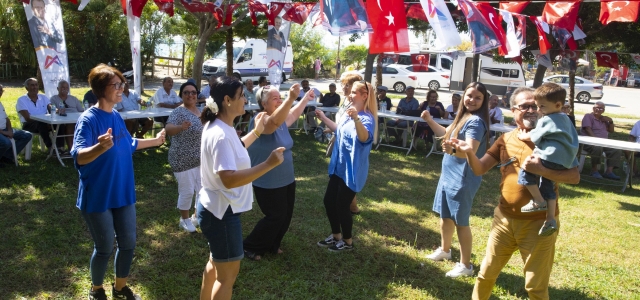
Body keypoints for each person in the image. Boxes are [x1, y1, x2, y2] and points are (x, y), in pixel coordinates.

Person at [446, 87, 580, 299]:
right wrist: (469, 151)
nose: (532, 110)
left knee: (535, 287)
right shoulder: (505, 139)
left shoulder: (552, 138)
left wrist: (542, 170)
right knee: (485, 276)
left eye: (535, 106)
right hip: (504, 220)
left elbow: (574, 177)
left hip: (540, 223)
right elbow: (480, 169)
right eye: (525, 106)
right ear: (512, 110)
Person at [72, 64, 166, 300]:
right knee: (104, 248)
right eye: (116, 85)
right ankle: (96, 289)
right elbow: (80, 156)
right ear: (101, 89)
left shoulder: (115, 115)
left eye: (122, 84)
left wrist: (154, 142)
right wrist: (99, 147)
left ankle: (120, 287)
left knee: (128, 244)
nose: (121, 89)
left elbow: (128, 143)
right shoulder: (88, 119)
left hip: (122, 192)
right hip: (98, 194)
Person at [197, 76, 284, 300]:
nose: (245, 99)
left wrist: (256, 132)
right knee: (226, 278)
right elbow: (229, 178)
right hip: (221, 213)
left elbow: (236, 147)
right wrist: (268, 164)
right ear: (227, 100)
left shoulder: (218, 126)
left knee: (215, 265)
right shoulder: (220, 134)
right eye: (242, 96)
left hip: (214, 208)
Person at [421, 82, 490, 278]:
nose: (472, 100)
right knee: (445, 216)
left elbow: (471, 151)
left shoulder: (475, 122)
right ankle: (445, 250)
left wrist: (452, 150)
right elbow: (444, 135)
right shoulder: (463, 117)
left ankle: (466, 265)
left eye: (478, 97)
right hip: (448, 175)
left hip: (463, 178)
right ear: (463, 96)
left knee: (461, 221)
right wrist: (429, 119)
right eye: (469, 96)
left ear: (484, 101)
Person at [243, 83, 316, 260]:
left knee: (286, 214)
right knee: (275, 216)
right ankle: (250, 246)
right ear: (264, 104)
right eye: (275, 99)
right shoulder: (260, 118)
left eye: (280, 97)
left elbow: (293, 114)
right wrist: (291, 98)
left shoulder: (282, 118)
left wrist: (304, 99)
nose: (279, 101)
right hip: (268, 180)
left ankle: (272, 244)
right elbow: (273, 123)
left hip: (286, 178)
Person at [314, 80, 377, 252]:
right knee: (329, 201)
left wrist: (356, 118)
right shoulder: (349, 114)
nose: (350, 94)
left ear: (364, 96)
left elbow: (364, 137)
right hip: (339, 167)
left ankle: (348, 242)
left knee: (342, 206)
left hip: (352, 170)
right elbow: (339, 129)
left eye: (354, 92)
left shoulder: (367, 118)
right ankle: (336, 237)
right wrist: (324, 118)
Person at [516, 83, 579, 237]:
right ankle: (550, 219)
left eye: (541, 106)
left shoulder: (548, 119)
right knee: (548, 184)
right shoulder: (565, 118)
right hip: (563, 160)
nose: (538, 110)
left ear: (558, 105)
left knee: (526, 172)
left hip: (549, 155)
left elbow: (536, 136)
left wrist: (524, 136)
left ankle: (538, 201)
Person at [164, 81, 204, 233]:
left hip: (200, 159)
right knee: (187, 191)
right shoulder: (178, 112)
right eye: (186, 92)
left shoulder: (200, 111)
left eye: (193, 92)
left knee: (201, 190)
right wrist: (180, 127)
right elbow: (168, 129)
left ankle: (196, 216)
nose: (190, 95)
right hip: (183, 159)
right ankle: (184, 219)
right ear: (181, 95)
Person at [16, 78, 64, 152]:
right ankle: (50, 147)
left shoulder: (43, 97)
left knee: (60, 124)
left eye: (36, 85)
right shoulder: (21, 100)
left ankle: (60, 147)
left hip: (46, 122)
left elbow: (51, 108)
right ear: (26, 88)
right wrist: (44, 120)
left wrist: (57, 110)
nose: (35, 87)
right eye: (32, 85)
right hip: (29, 124)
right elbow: (27, 118)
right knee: (41, 123)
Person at [580, 101, 622, 180]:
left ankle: (609, 171)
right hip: (589, 142)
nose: (599, 109)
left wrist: (611, 121)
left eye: (601, 108)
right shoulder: (588, 116)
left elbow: (611, 130)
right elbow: (588, 129)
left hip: (604, 143)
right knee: (598, 147)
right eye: (597, 108)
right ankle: (594, 170)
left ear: (603, 110)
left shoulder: (604, 119)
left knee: (616, 150)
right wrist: (596, 140)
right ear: (593, 108)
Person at [0, 84, 32, 167]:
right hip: (1, 131)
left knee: (27, 135)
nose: (0, 92)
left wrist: (9, 130)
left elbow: (6, 119)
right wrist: (4, 133)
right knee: (6, 143)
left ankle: (7, 156)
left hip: (5, 129)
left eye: (1, 90)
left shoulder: (0, 103)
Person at [49, 80, 83, 152]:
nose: (65, 89)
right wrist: (57, 110)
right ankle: (72, 150)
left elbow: (81, 110)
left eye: (67, 88)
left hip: (76, 119)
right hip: (63, 119)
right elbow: (52, 109)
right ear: (58, 89)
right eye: (62, 87)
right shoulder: (54, 99)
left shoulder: (73, 98)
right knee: (70, 125)